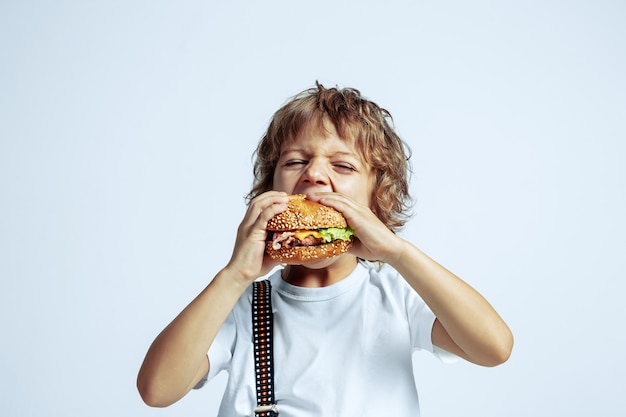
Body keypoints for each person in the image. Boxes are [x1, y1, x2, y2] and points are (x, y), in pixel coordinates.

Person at [136, 82, 514, 416]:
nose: (313, 174)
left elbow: (493, 348)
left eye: (343, 166)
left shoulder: (396, 297)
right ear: (270, 190)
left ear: (376, 200)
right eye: (296, 161)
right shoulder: (239, 305)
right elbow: (157, 391)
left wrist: (397, 253)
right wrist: (235, 275)